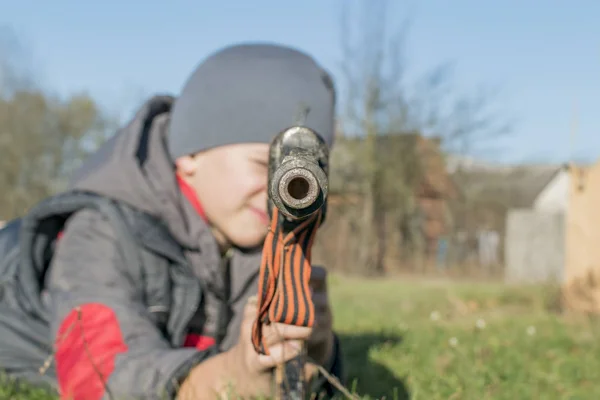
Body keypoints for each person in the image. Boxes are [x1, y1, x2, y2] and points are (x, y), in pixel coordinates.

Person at [0, 43, 343, 399]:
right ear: (190, 156)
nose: (277, 194)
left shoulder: (257, 236)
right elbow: (99, 377)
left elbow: (270, 367)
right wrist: (236, 375)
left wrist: (311, 353)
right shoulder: (99, 234)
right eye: (262, 165)